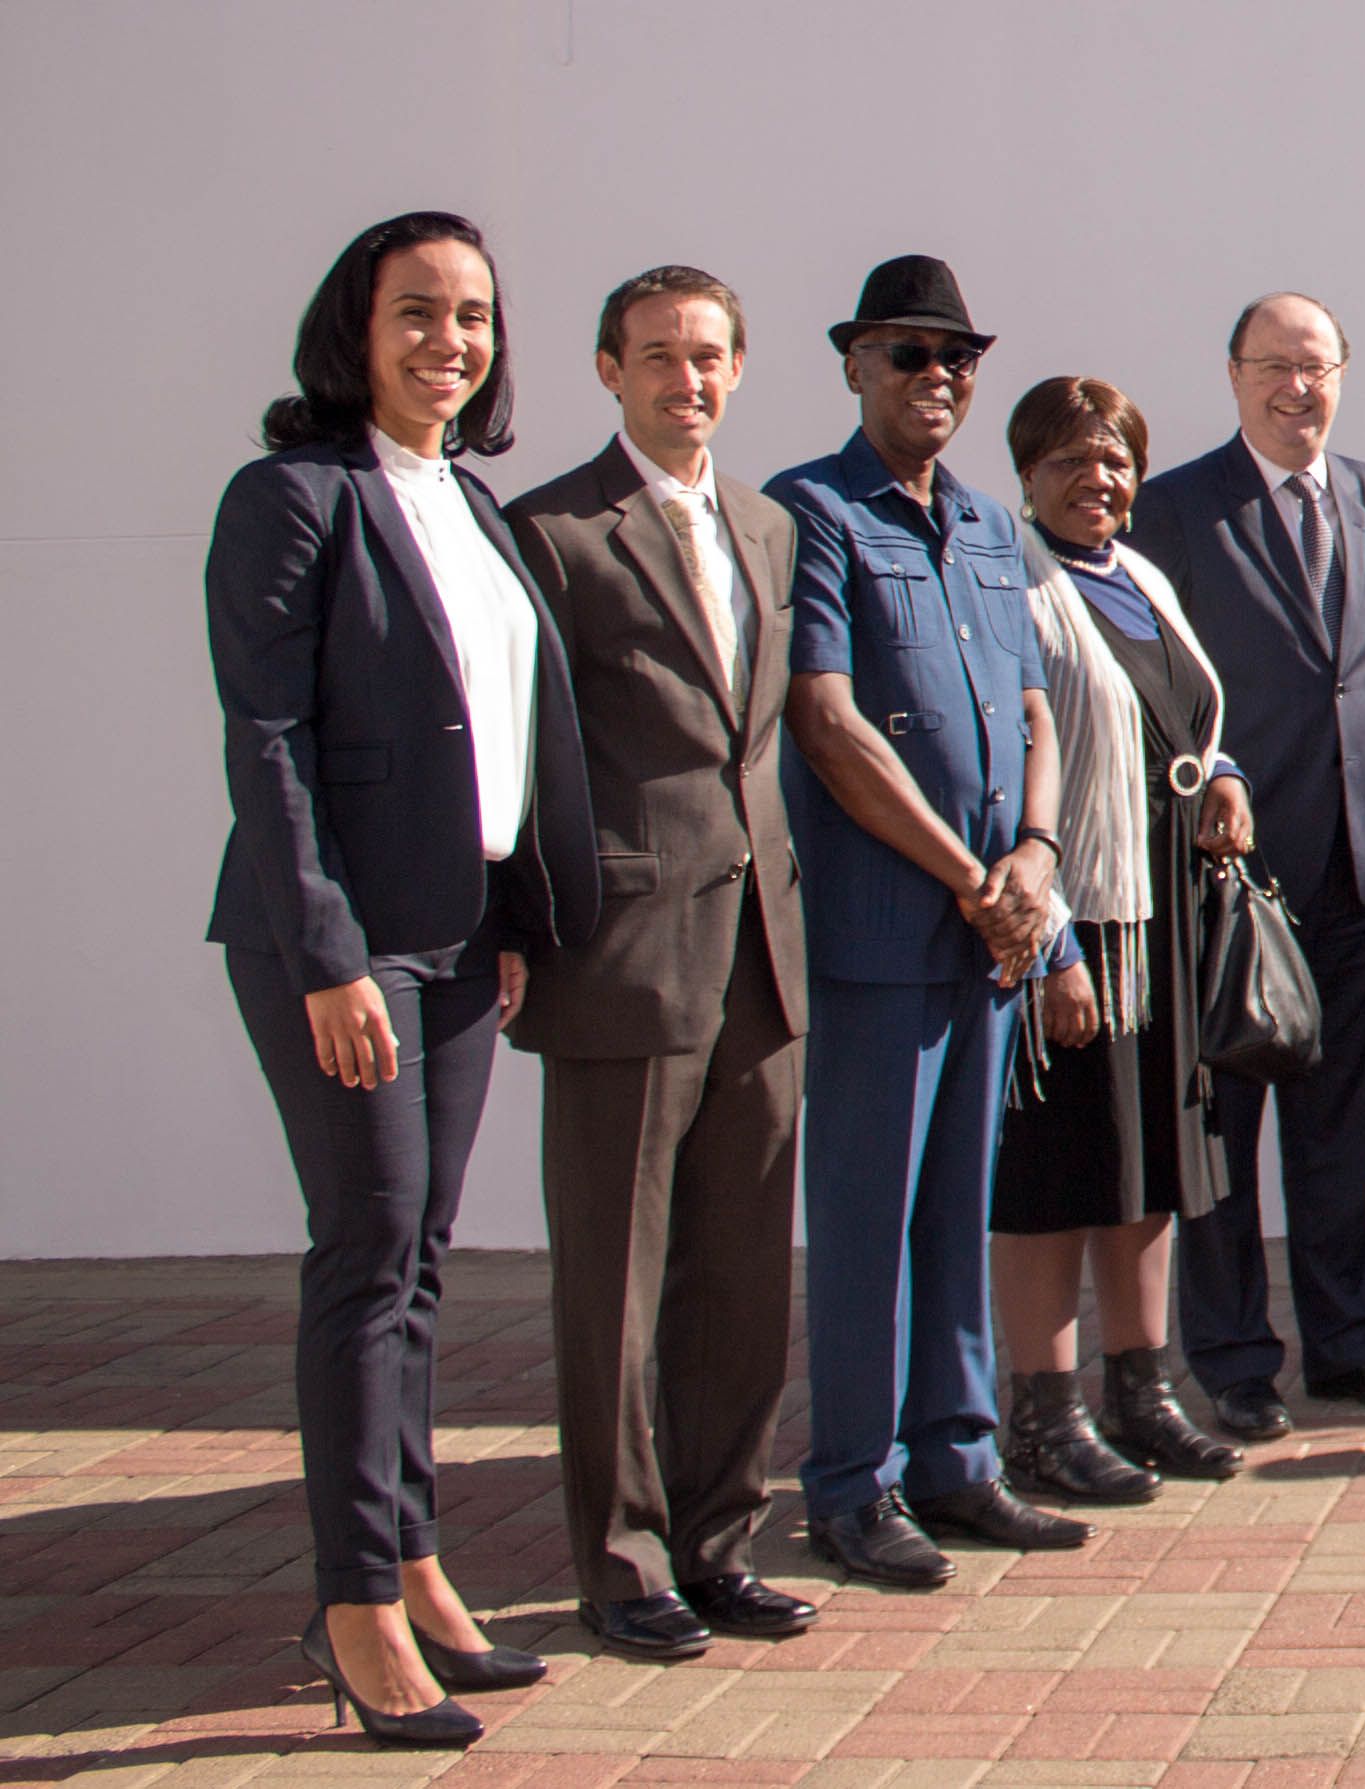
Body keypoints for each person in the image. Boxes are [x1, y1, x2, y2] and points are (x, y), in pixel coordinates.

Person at [209, 210, 584, 1744]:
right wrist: (331, 951)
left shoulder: (472, 503)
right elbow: (269, 743)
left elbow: (485, 731)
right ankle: (357, 1604)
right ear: (353, 330)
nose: (451, 341)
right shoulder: (294, 496)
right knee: (366, 1263)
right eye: (417, 313)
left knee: (418, 1263)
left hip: (452, 946)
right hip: (342, 950)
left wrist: (503, 919)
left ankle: (418, 1563)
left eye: (475, 317)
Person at [498, 265, 819, 1661]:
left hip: (764, 949)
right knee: (616, 1285)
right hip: (623, 950)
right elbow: (524, 754)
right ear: (607, 370)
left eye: (708, 355)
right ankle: (622, 1564)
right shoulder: (554, 533)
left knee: (743, 1274)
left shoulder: (767, 525)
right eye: (657, 356)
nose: (686, 378)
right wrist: (519, 924)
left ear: (739, 368)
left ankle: (718, 1542)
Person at [768, 254, 1096, 1587]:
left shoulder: (988, 527)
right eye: (908, 353)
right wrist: (974, 873)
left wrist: (1034, 854)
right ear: (854, 363)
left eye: (956, 355)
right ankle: (854, 1485)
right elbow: (831, 724)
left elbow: (1033, 713)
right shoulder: (816, 515)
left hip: (990, 936)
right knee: (866, 1219)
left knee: (962, 1209)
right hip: (878, 936)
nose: (937, 376)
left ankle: (960, 1459)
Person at [1125, 293, 1365, 1437]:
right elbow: (1153, 683)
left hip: (1360, 862)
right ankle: (1235, 1360)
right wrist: (1210, 775)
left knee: (1338, 1134)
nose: (1296, 389)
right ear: (1233, 375)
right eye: (1274, 368)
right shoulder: (1173, 511)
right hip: (1232, 877)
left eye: (1316, 368)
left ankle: (1349, 1348)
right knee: (1226, 1136)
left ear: (1343, 374)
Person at [987, 376, 1255, 1503]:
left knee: (1149, 1160)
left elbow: (1180, 718)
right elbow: (1007, 773)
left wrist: (1225, 776)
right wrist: (1049, 947)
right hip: (1079, 922)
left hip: (1168, 918)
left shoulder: (1140, 577)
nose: (1097, 481)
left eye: (1115, 462)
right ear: (1027, 474)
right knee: (1056, 1172)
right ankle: (1043, 1416)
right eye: (1070, 461)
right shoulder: (1012, 583)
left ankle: (1142, 1392)